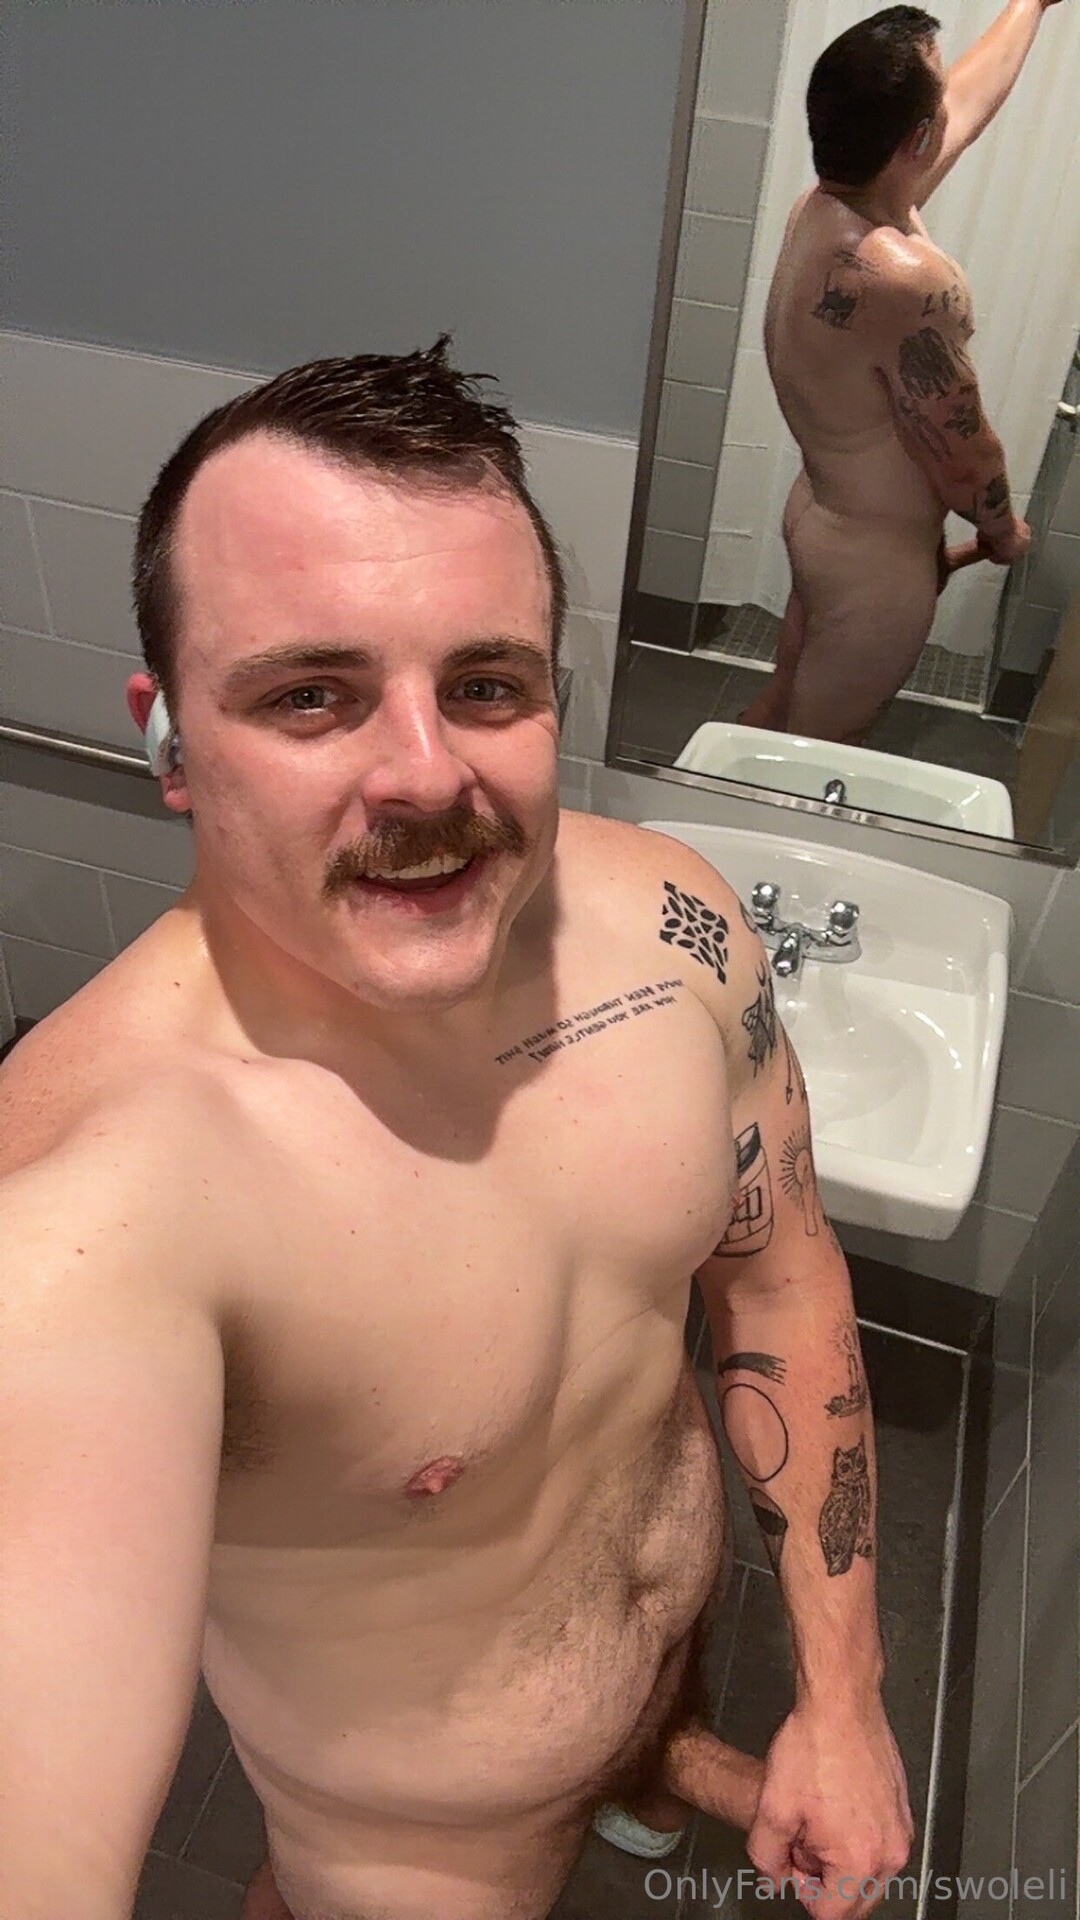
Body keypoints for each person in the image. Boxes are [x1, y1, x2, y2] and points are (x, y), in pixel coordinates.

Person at [0, 340, 911, 1920]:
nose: (426, 775)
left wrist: (844, 1696)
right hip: (418, 1854)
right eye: (311, 694)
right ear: (166, 744)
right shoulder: (93, 1206)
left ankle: (655, 1772)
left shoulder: (670, 924)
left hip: (666, 1652)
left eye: (485, 685)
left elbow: (777, 1280)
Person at [741, 0, 1065, 745]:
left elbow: (965, 104)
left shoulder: (822, 211)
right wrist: (1001, 530)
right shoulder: (901, 277)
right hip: (875, 568)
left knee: (777, 713)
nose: (950, 103)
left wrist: (1031, 4)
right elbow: (962, 447)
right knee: (814, 756)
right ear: (915, 140)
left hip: (823, 519)